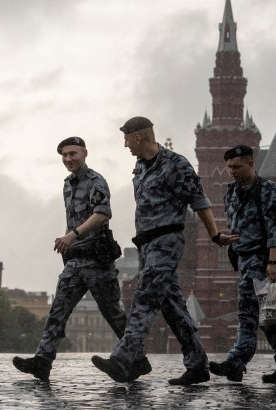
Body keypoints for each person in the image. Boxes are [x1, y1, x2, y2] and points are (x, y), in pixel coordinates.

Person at [91, 116, 236, 386]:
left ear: (138, 137)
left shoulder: (176, 164)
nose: (124, 145)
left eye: (126, 139)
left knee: (144, 298)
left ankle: (124, 360)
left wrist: (215, 234)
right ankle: (197, 365)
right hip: (146, 245)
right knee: (172, 308)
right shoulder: (140, 167)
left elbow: (200, 201)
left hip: (167, 241)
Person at [13, 136, 151, 382]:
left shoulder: (96, 181)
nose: (69, 159)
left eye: (73, 154)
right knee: (58, 312)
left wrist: (73, 235)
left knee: (113, 314)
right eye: (65, 155)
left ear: (85, 153)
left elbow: (102, 214)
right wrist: (69, 246)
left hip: (97, 260)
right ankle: (42, 361)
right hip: (75, 262)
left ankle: (137, 359)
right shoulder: (68, 184)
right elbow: (73, 221)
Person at [207, 145, 276, 384]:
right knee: (272, 315)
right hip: (244, 258)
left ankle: (236, 360)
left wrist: (273, 260)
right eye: (228, 167)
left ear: (250, 163)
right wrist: (227, 239)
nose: (231, 171)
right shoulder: (230, 192)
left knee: (248, 312)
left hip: (264, 260)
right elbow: (237, 224)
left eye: (236, 166)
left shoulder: (268, 190)